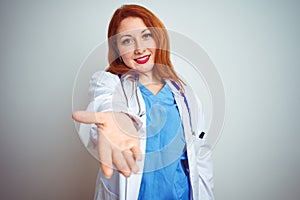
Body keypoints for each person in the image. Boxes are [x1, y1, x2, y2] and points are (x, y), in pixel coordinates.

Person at [72, 4, 214, 200]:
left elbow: (201, 156)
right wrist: (116, 121)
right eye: (127, 41)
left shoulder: (185, 94)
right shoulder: (109, 84)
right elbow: (104, 104)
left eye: (146, 36)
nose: (139, 49)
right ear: (117, 49)